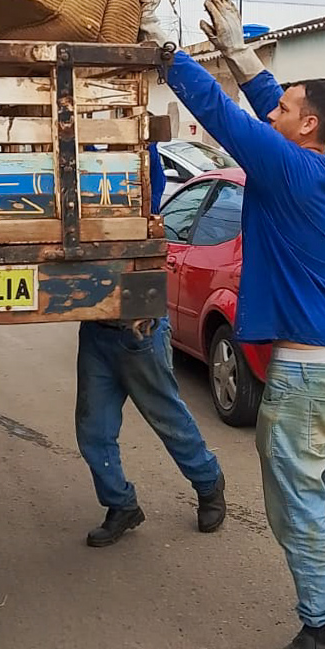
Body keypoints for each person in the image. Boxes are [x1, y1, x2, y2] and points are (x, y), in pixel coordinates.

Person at [136, 0, 325, 649]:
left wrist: (162, 40)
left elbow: (218, 115)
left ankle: (324, 631)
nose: (273, 112)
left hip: (304, 373)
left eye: (283, 110)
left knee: (297, 499)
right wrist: (245, 57)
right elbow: (273, 105)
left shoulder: (284, 166)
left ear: (303, 126)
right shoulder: (321, 161)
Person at [74, 141, 226, 547]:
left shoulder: (141, 191)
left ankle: (209, 483)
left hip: (138, 332)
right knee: (93, 430)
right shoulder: (76, 198)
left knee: (168, 420)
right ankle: (121, 504)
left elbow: (149, 159)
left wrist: (139, 138)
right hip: (97, 330)